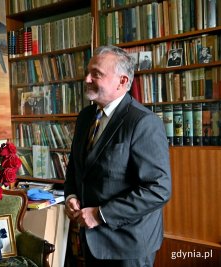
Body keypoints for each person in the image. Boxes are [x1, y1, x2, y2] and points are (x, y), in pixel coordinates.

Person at [64, 45, 172, 267]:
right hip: (91, 241)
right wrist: (71, 196)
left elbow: (158, 189)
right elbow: (76, 169)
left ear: (122, 82)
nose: (86, 79)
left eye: (96, 74)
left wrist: (101, 215)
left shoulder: (144, 122)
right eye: (88, 71)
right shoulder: (85, 117)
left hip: (128, 245)